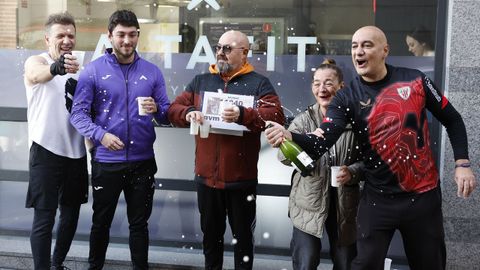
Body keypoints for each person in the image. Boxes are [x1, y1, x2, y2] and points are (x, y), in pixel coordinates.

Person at [265, 26, 476, 270]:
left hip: (422, 199)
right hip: (377, 200)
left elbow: (453, 119)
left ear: (385, 50)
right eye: (354, 46)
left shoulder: (416, 79)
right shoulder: (346, 97)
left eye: (366, 45)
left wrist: (462, 163)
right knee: (363, 265)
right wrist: (290, 135)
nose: (358, 52)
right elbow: (320, 142)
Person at [168, 30, 285, 270]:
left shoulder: (259, 83)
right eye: (219, 47)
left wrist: (244, 114)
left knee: (243, 241)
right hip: (206, 179)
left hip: (241, 181)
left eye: (228, 48)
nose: (220, 52)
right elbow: (173, 110)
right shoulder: (201, 81)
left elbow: (276, 116)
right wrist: (188, 112)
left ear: (245, 53)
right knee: (211, 239)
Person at [70, 10, 170, 270]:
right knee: (101, 223)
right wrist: (101, 136)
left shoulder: (152, 72)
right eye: (121, 35)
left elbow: (168, 113)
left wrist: (157, 109)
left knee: (139, 225)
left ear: (138, 35)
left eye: (132, 35)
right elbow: (77, 115)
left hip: (143, 163)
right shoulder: (92, 71)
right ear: (110, 36)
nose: (127, 40)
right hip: (106, 161)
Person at [279, 59, 363, 270]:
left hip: (345, 205)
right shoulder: (304, 120)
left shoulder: (355, 121)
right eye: (317, 83)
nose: (321, 88)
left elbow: (370, 162)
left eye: (328, 83)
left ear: (341, 87)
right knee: (306, 264)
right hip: (308, 203)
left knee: (345, 264)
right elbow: (283, 157)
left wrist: (352, 171)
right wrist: (305, 139)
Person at [24, 12, 87, 270]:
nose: (66, 40)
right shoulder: (37, 60)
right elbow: (36, 74)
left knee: (71, 217)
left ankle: (56, 264)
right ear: (47, 38)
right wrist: (55, 67)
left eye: (70, 35)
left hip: (76, 152)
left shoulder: (82, 66)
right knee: (44, 218)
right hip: (45, 150)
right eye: (60, 35)